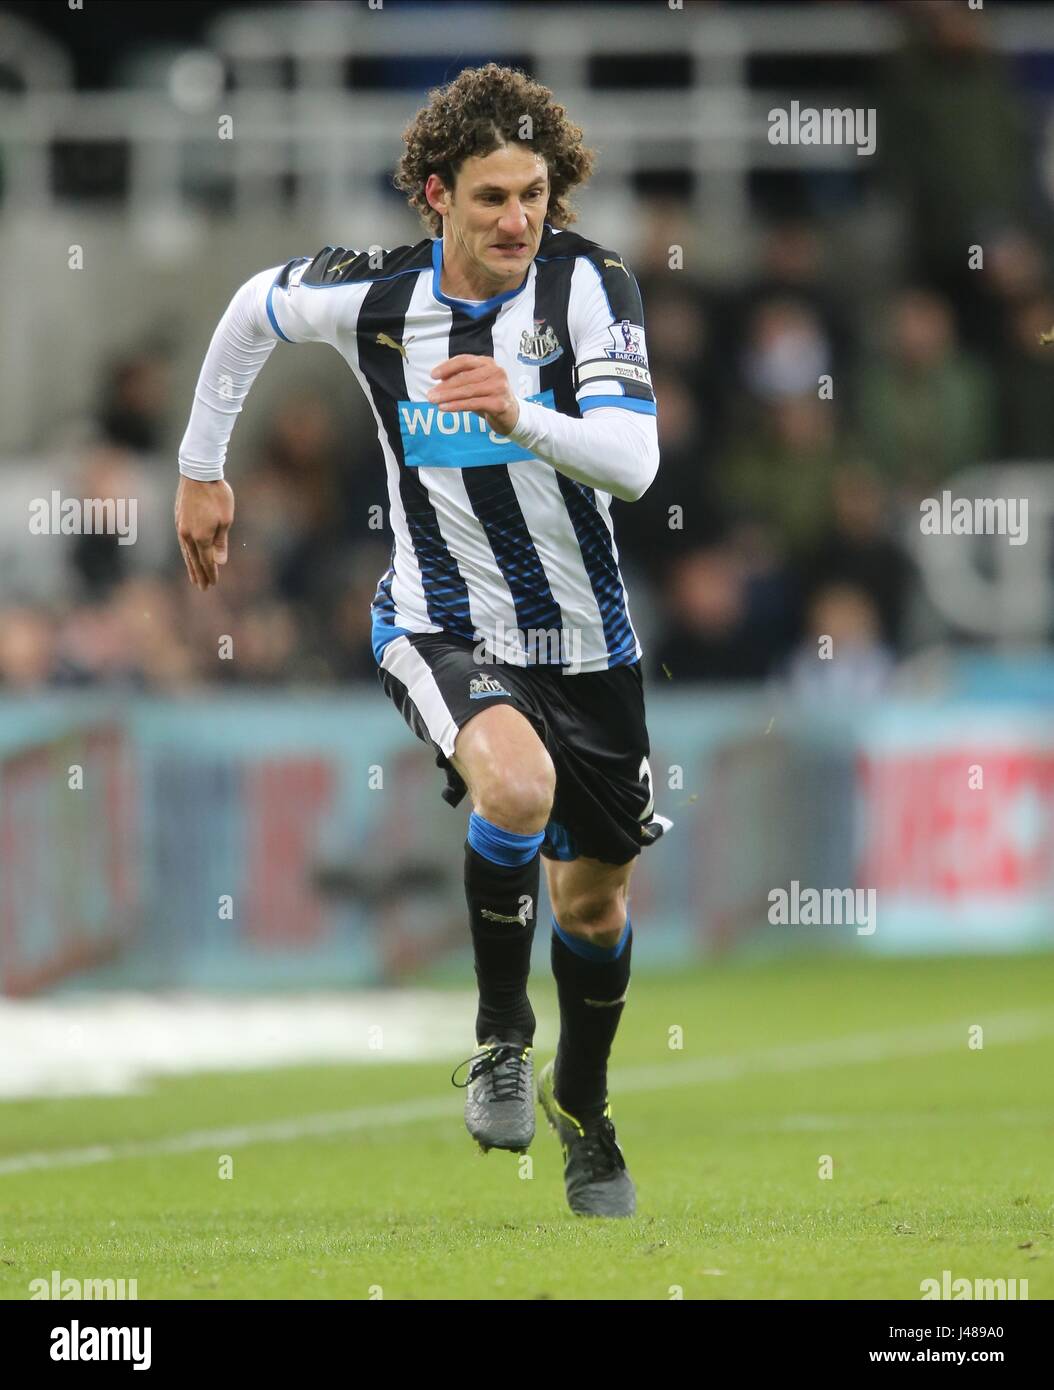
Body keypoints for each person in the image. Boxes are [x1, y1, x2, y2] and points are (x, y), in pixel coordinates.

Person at [174, 63, 670, 1218]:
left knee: (595, 906)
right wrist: (202, 468)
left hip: (588, 644)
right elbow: (253, 307)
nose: (517, 220)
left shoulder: (591, 289)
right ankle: (502, 1038)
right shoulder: (378, 299)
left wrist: (519, 413)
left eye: (535, 195)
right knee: (515, 788)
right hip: (438, 623)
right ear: (435, 195)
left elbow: (636, 466)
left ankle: (585, 1111)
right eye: (492, 196)